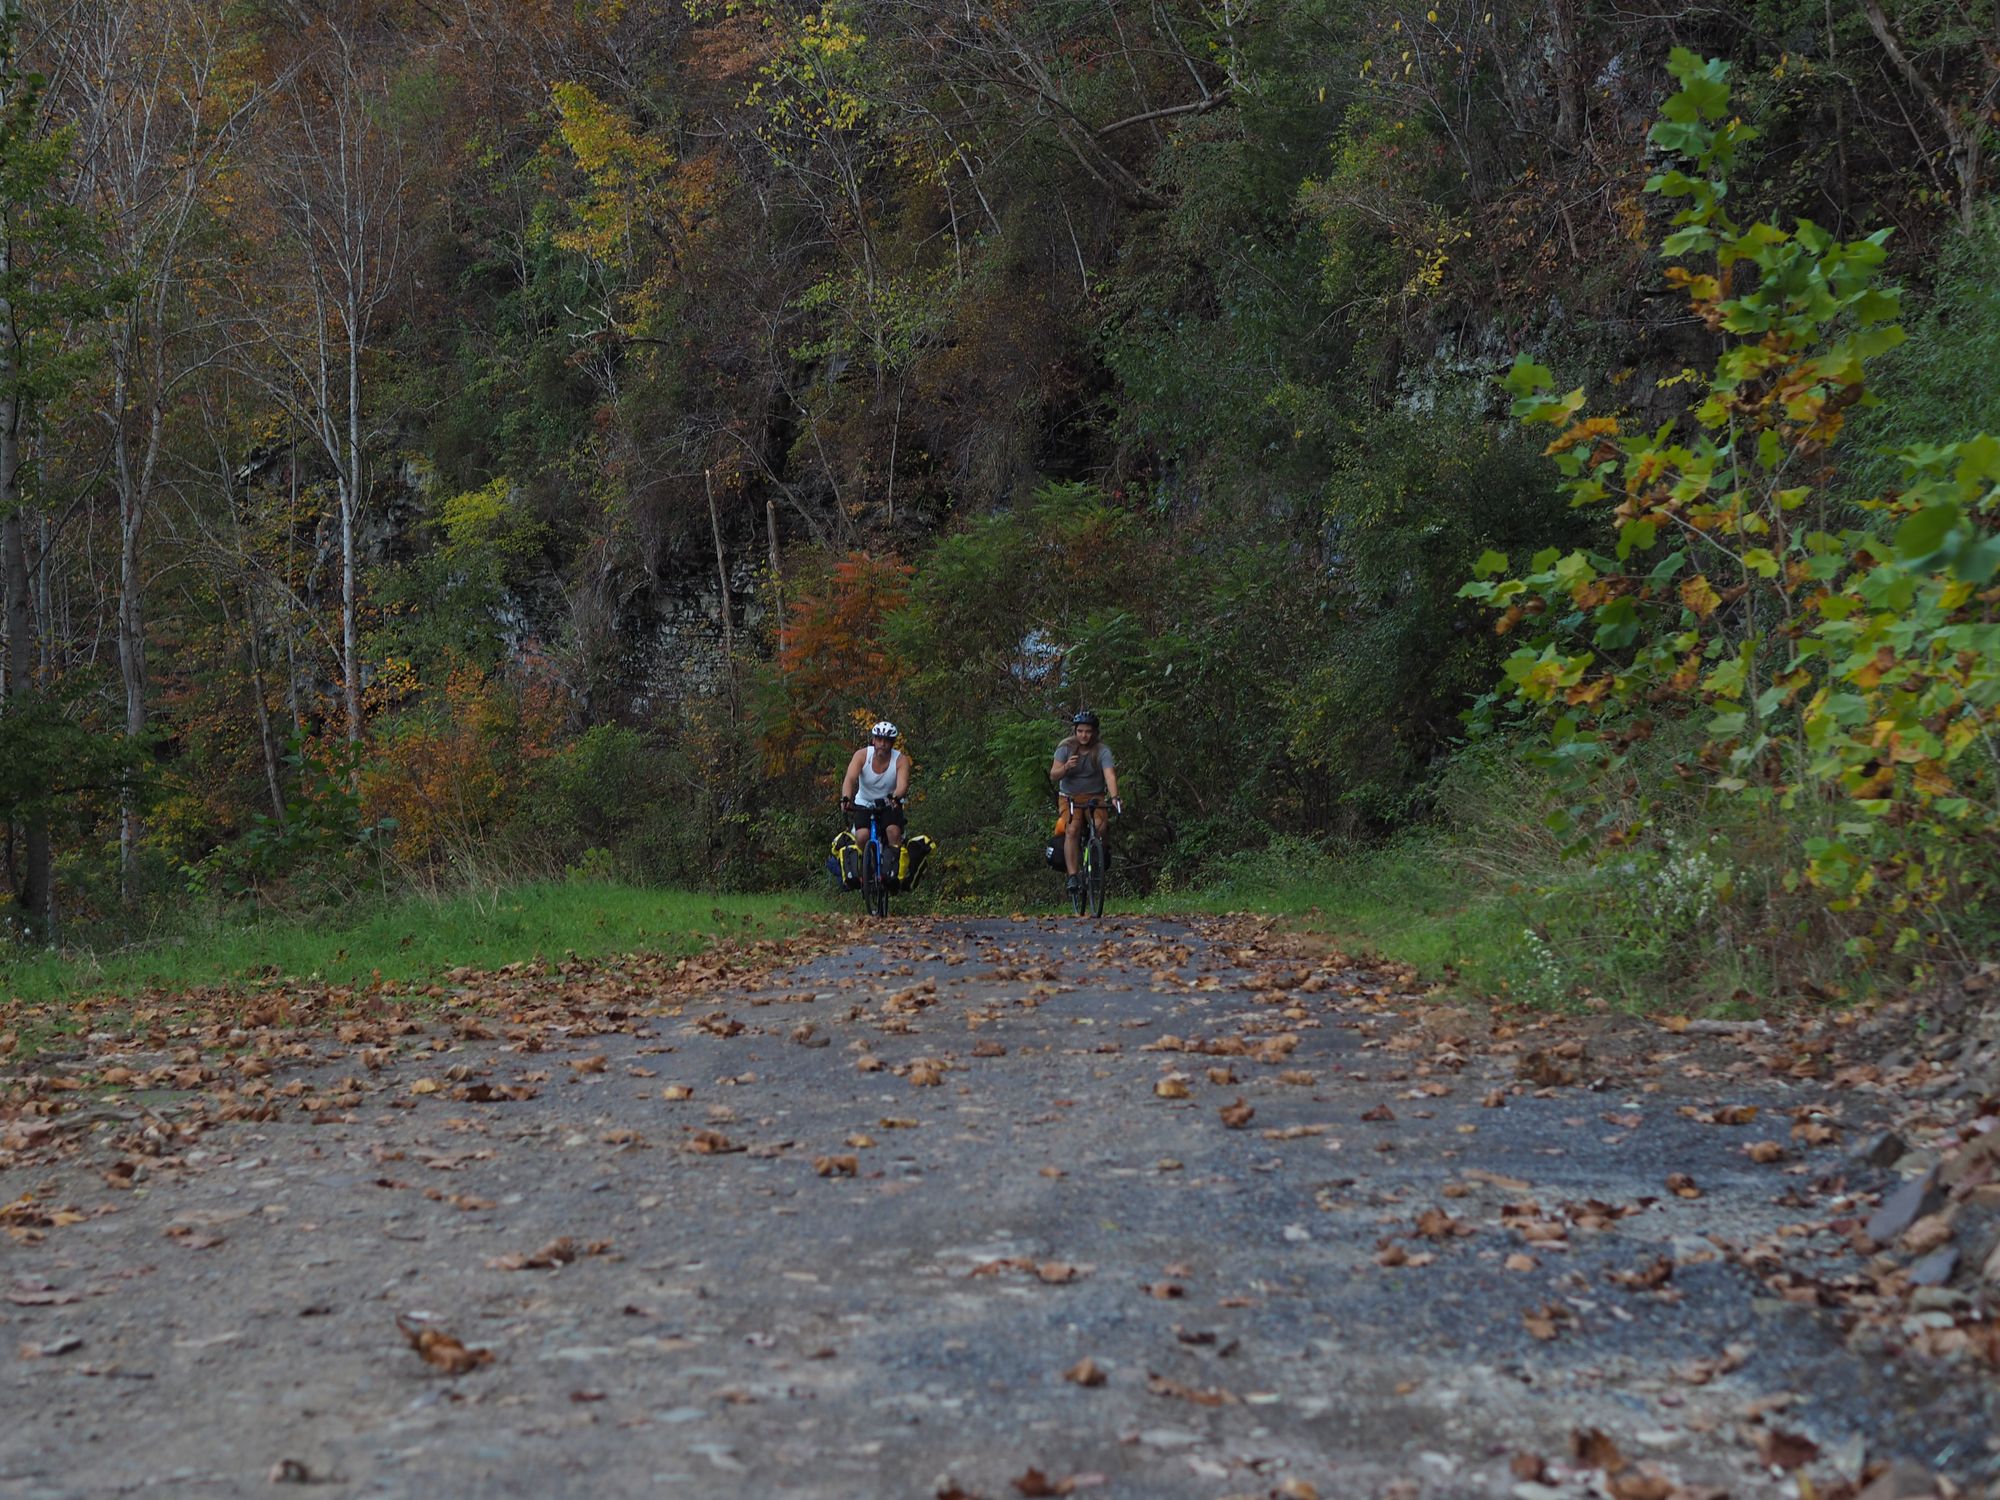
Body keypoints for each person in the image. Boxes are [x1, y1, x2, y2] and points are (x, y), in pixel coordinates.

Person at [1049, 709, 1122, 896]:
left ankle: (1097, 858)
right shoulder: (1065, 748)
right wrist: (1066, 767)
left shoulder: (1102, 751)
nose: (1084, 735)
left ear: (1094, 732)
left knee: (1100, 826)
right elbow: (1053, 775)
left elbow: (1109, 775)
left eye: (1088, 731)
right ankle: (1073, 876)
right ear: (1075, 731)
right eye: (1080, 731)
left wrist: (1114, 797)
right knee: (1072, 829)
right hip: (1069, 797)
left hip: (1094, 795)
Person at [841, 719, 909, 857]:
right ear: (873, 740)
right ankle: (863, 872)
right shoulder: (862, 755)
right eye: (879, 739)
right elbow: (849, 778)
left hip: (889, 803)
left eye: (886, 741)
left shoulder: (901, 760)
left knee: (893, 833)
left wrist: (896, 797)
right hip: (864, 803)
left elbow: (903, 784)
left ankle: (895, 870)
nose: (882, 744)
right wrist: (846, 798)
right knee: (861, 837)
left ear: (892, 743)